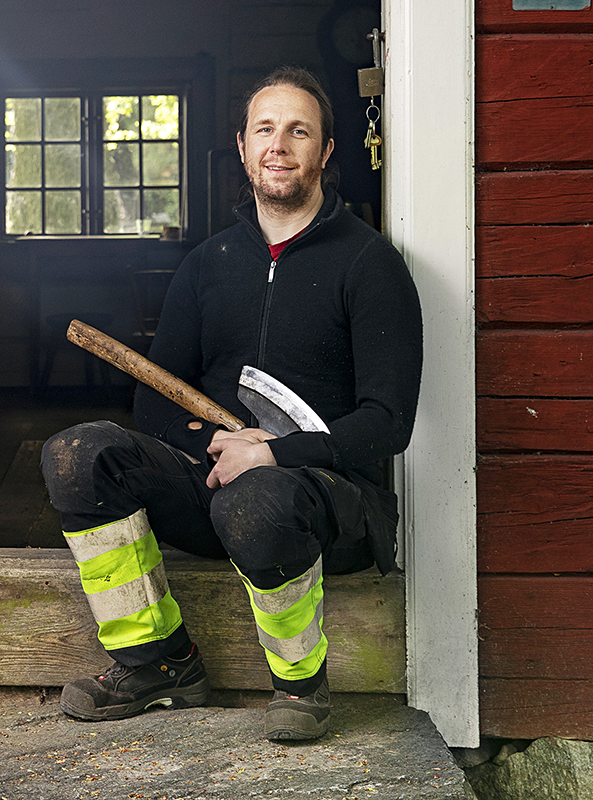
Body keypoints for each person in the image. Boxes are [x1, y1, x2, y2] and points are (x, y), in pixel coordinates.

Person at [39, 66, 423, 741]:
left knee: (257, 498)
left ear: (326, 153)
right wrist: (215, 448)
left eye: (299, 131)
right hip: (215, 485)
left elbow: (388, 424)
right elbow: (152, 401)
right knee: (79, 454)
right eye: (265, 130)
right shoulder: (208, 264)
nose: (279, 145)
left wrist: (272, 453)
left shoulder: (370, 264)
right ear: (242, 147)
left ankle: (301, 682)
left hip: (327, 503)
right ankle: (158, 662)